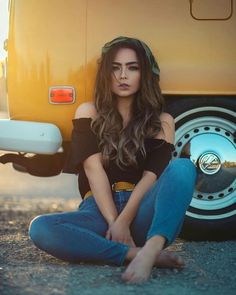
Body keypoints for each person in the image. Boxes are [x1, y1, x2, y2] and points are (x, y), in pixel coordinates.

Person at [29, 36, 197, 284]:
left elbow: (151, 177)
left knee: (183, 168)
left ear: (145, 74)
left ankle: (151, 248)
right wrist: (113, 222)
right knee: (40, 228)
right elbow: (92, 168)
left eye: (133, 67)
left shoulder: (162, 121)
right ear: (106, 74)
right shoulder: (88, 112)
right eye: (115, 68)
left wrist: (125, 220)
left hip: (141, 212)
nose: (122, 76)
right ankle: (132, 254)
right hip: (98, 210)